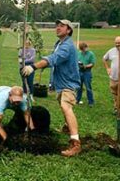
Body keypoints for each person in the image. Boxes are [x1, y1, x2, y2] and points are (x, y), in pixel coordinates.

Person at [22, 19, 81, 157]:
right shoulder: (59, 44)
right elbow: (52, 60)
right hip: (61, 83)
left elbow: (53, 59)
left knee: (66, 107)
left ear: (69, 30)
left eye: (62, 26)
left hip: (69, 83)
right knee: (63, 106)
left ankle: (75, 143)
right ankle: (68, 128)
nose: (58, 28)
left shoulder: (67, 46)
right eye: (57, 26)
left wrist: (33, 66)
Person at [76, 42, 96, 106]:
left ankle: (91, 102)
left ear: (86, 47)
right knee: (79, 87)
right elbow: (76, 61)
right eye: (81, 49)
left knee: (88, 87)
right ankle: (77, 100)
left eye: (83, 49)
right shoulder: (79, 53)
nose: (83, 51)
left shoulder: (91, 54)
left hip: (87, 72)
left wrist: (86, 66)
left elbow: (92, 63)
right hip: (79, 72)